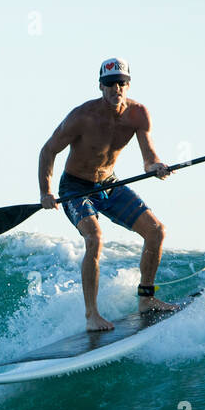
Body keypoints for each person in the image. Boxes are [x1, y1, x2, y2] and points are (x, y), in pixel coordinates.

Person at [37, 57, 178, 331]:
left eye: (121, 84)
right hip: (75, 188)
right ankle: (92, 315)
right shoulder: (82, 116)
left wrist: (156, 167)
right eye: (110, 84)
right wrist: (46, 191)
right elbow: (48, 150)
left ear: (128, 85)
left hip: (109, 185)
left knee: (156, 231)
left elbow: (148, 158)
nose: (116, 89)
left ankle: (146, 299)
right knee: (95, 237)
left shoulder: (138, 115)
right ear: (100, 86)